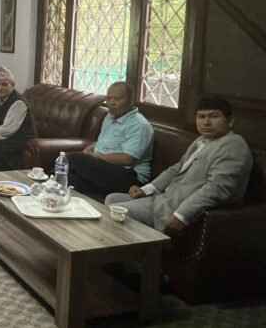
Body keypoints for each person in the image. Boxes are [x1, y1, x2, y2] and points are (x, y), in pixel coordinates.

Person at [105, 97, 252, 236]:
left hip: (174, 208)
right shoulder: (201, 141)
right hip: (162, 199)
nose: (206, 122)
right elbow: (177, 168)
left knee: (116, 211)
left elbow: (216, 189)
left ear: (230, 121)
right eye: (201, 117)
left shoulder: (233, 145)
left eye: (214, 116)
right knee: (112, 199)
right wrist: (146, 189)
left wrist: (182, 216)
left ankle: (135, 250)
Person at [66, 82, 154, 195]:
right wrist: (92, 147)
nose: (111, 103)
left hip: (130, 176)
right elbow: (107, 142)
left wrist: (96, 157)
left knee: (71, 159)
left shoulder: (140, 125)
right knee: (66, 178)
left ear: (131, 100)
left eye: (117, 99)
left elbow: (127, 159)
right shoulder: (110, 116)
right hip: (106, 168)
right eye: (108, 98)